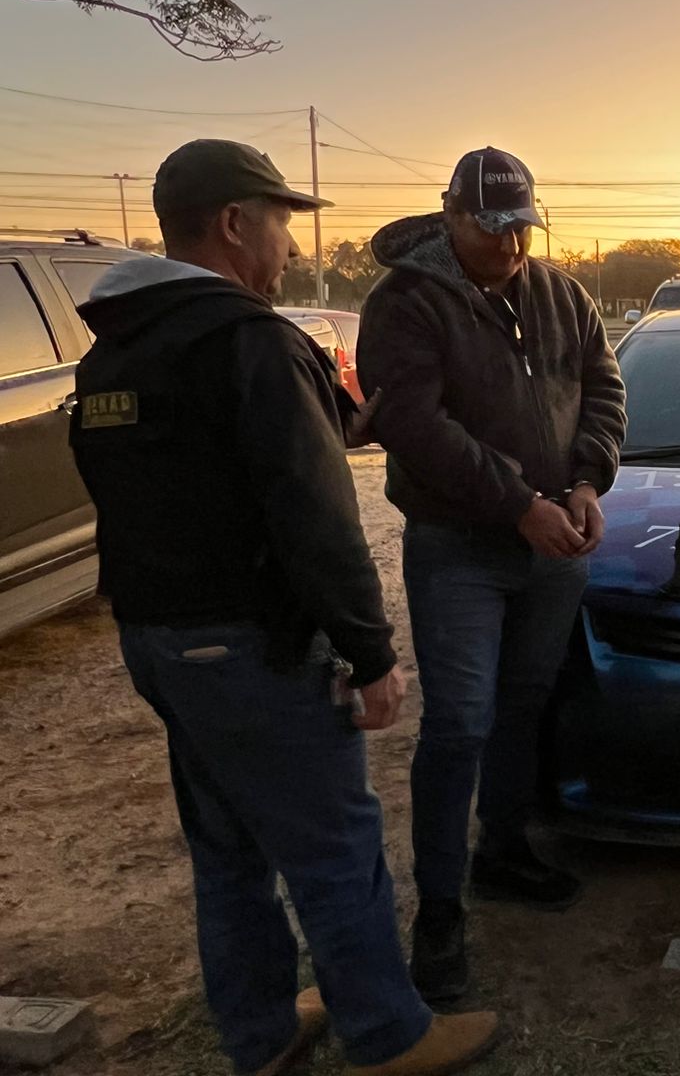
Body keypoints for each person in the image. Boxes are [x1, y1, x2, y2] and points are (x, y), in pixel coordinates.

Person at [68, 140, 498, 1076]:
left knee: (227, 848)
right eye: (280, 224)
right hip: (253, 645)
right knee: (336, 842)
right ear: (233, 224)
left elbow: (181, 474)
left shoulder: (118, 348)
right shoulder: (251, 341)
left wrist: (326, 421)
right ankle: (391, 1035)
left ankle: (261, 1037)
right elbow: (315, 519)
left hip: (156, 640)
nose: (292, 250)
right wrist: (372, 654)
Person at [359, 146, 626, 1005]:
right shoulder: (405, 302)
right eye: (492, 226)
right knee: (461, 723)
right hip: (461, 549)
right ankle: (439, 910)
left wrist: (587, 479)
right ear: (451, 215)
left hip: (555, 543)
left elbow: (603, 386)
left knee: (523, 702)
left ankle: (502, 850)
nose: (512, 246)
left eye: (523, 227)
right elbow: (411, 422)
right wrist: (518, 503)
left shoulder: (562, 294)